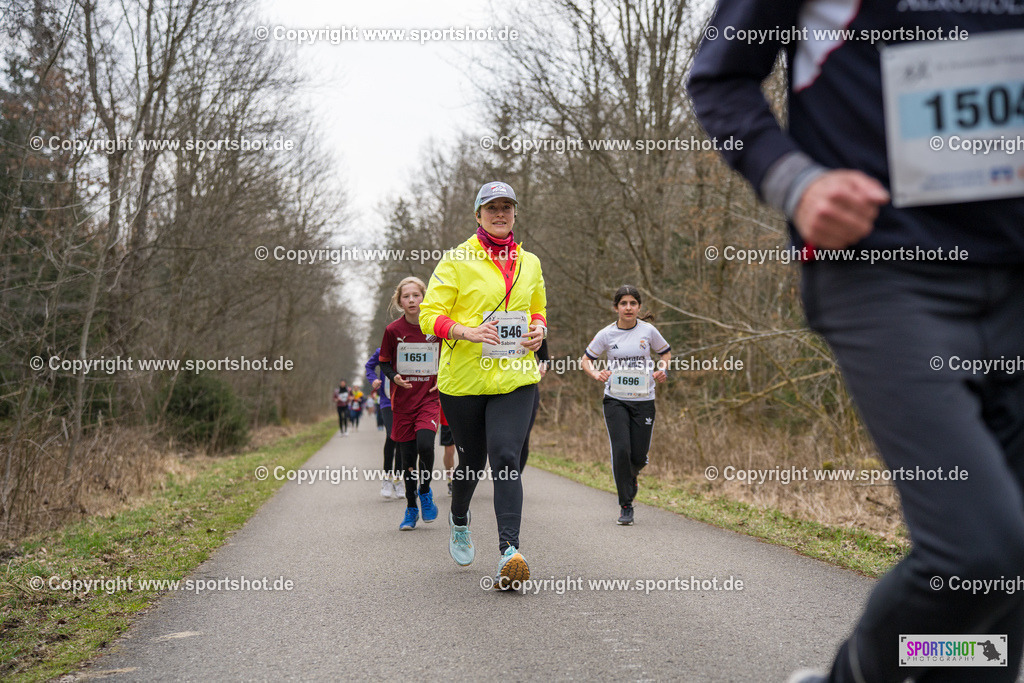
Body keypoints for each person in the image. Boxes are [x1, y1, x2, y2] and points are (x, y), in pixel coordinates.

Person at [689, 4, 1024, 682]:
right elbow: (719, 79)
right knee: (978, 549)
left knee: (998, 590)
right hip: (886, 271)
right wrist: (797, 183)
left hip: (1014, 269)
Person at [419, 180, 546, 589]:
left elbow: (538, 309)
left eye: (507, 207)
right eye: (491, 207)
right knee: (471, 463)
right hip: (465, 382)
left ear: (514, 213)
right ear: (478, 215)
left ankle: (510, 551)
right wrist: (466, 332)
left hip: (516, 377)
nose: (500, 214)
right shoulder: (456, 260)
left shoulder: (531, 263)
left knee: (506, 456)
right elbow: (429, 315)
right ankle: (459, 517)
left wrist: (539, 331)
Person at [581, 286, 670, 525]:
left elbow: (665, 354)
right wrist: (596, 374)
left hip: (644, 400)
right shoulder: (607, 334)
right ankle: (625, 505)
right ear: (616, 307)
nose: (628, 308)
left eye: (633, 303)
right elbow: (586, 360)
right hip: (616, 399)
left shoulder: (648, 331)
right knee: (621, 450)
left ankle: (633, 474)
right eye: (623, 303)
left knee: (638, 456)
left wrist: (662, 370)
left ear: (639, 307)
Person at [378, 277, 441, 530]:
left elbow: (452, 355)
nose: (412, 300)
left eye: (416, 295)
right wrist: (394, 377)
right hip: (402, 402)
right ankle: (410, 507)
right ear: (399, 301)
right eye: (406, 296)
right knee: (407, 460)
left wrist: (444, 377)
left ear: (424, 297)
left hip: (429, 398)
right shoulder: (393, 330)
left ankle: (425, 492)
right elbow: (383, 361)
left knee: (425, 444)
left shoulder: (435, 327)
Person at [366, 347, 402, 499]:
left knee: (402, 439)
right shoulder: (382, 350)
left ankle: (398, 479)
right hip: (387, 400)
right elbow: (369, 366)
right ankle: (387, 478)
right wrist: (373, 379)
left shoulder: (410, 347)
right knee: (392, 435)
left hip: (405, 400)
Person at [438, 406, 456, 496]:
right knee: (449, 451)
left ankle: (468, 480)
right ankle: (451, 480)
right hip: (447, 417)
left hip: (466, 415)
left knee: (468, 451)